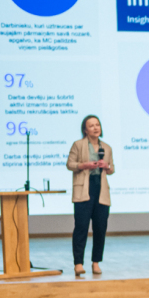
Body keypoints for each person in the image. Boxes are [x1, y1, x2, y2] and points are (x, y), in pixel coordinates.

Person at [66, 114, 114, 277]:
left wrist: (107, 166)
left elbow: (112, 169)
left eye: (97, 125)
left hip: (101, 190)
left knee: (100, 228)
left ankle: (96, 262)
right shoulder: (78, 145)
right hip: (84, 190)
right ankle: (78, 263)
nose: (95, 128)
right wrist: (84, 165)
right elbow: (70, 164)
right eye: (91, 125)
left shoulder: (106, 147)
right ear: (85, 130)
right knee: (81, 227)